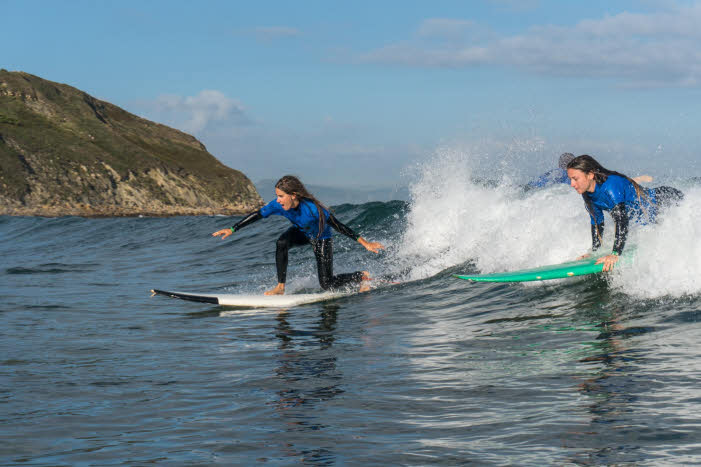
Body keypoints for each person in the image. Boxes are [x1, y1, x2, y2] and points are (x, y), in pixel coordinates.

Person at [212, 175, 385, 295]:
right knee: (281, 242)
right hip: (302, 232)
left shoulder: (314, 210)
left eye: (281, 196)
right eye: (277, 196)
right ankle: (280, 287)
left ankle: (361, 276)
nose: (277, 200)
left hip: (321, 238)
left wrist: (365, 243)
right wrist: (233, 228)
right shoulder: (277, 205)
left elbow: (338, 225)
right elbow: (258, 214)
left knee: (327, 284)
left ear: (293, 196)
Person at [566, 155, 683, 271]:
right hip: (653, 215)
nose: (572, 184)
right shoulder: (587, 194)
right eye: (570, 179)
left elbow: (622, 220)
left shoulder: (610, 187)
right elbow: (597, 223)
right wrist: (594, 252)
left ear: (590, 175)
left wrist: (615, 253)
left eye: (575, 179)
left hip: (664, 200)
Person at [528, 152, 653, 189]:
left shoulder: (553, 173)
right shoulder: (579, 175)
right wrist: (639, 179)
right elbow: (607, 179)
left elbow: (533, 186)